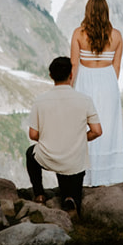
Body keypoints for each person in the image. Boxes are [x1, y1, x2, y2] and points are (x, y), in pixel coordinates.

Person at [25, 55, 102, 212]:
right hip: (74, 162)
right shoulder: (84, 100)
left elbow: (33, 135)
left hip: (48, 157)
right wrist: (79, 138)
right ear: (71, 75)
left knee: (30, 153)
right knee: (72, 173)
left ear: (51, 76)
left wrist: (51, 137)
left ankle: (39, 194)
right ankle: (70, 198)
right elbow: (97, 131)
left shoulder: (40, 100)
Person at [71, 0, 123, 186]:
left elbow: (73, 64)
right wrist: (109, 85)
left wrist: (70, 89)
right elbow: (116, 67)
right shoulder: (117, 36)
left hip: (85, 79)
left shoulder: (78, 33)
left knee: (85, 126)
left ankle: (86, 176)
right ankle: (108, 178)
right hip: (108, 81)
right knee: (108, 128)